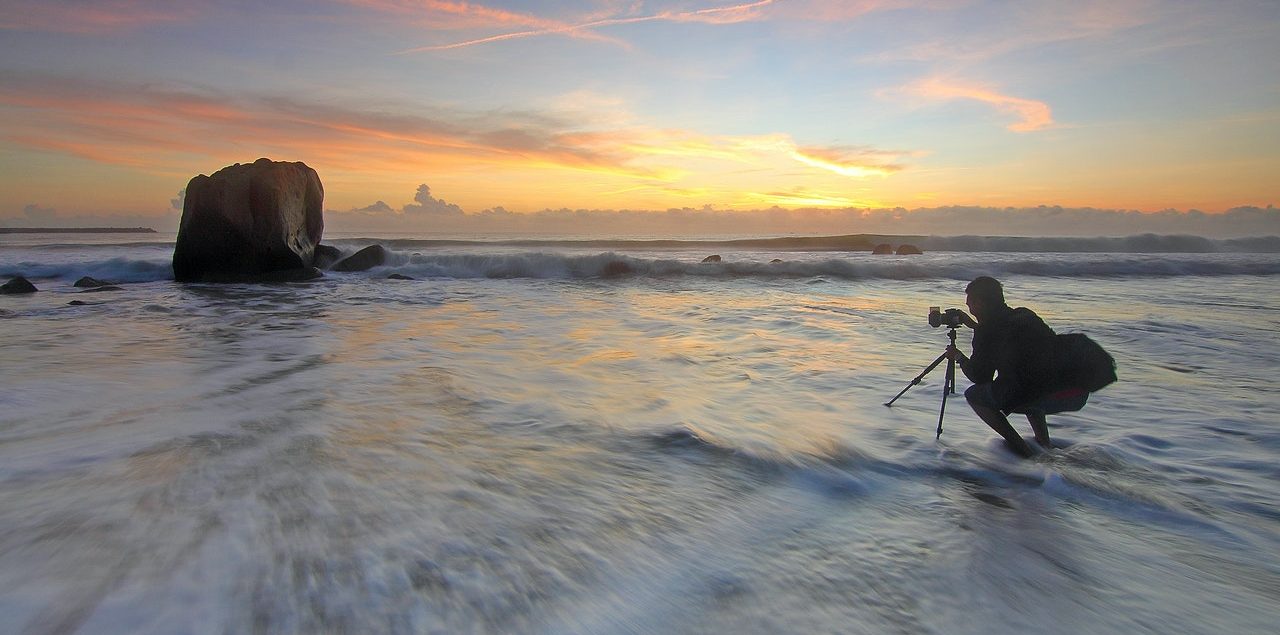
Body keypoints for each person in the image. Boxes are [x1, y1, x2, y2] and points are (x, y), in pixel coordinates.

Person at [945, 276, 1088, 457]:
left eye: (970, 305)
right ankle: (1045, 445)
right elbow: (1003, 333)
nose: (970, 309)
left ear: (979, 303)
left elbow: (980, 377)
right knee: (1025, 383)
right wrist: (976, 327)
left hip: (1045, 395)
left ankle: (1023, 451)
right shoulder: (1025, 314)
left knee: (975, 395)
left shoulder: (987, 331)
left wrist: (958, 356)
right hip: (1075, 392)